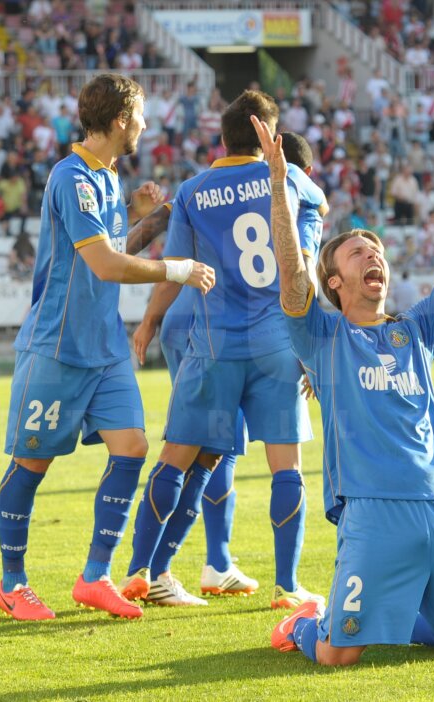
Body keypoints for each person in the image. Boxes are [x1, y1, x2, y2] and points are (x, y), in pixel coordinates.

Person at [259, 114, 434, 665]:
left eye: (376, 251)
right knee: (339, 656)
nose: (373, 257)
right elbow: (292, 274)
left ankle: (407, 612)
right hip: (373, 508)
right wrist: (276, 181)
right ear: (334, 282)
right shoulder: (323, 333)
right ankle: (307, 623)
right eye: (357, 253)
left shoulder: (417, 328)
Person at [0, 73, 215, 621]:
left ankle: (95, 576)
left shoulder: (106, 178)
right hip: (57, 345)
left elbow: (111, 255)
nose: (144, 125)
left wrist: (149, 218)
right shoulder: (71, 178)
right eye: (139, 116)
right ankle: (12, 583)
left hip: (106, 348)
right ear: (120, 120)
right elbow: (105, 265)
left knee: (133, 446)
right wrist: (179, 269)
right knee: (32, 463)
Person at [123, 92, 323, 610]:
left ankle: (140, 572)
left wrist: (149, 321)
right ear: (269, 138)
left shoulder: (192, 190)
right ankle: (287, 587)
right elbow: (313, 231)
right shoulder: (291, 179)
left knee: (175, 459)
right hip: (277, 343)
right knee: (287, 468)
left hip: (213, 345)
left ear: (223, 135)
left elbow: (176, 266)